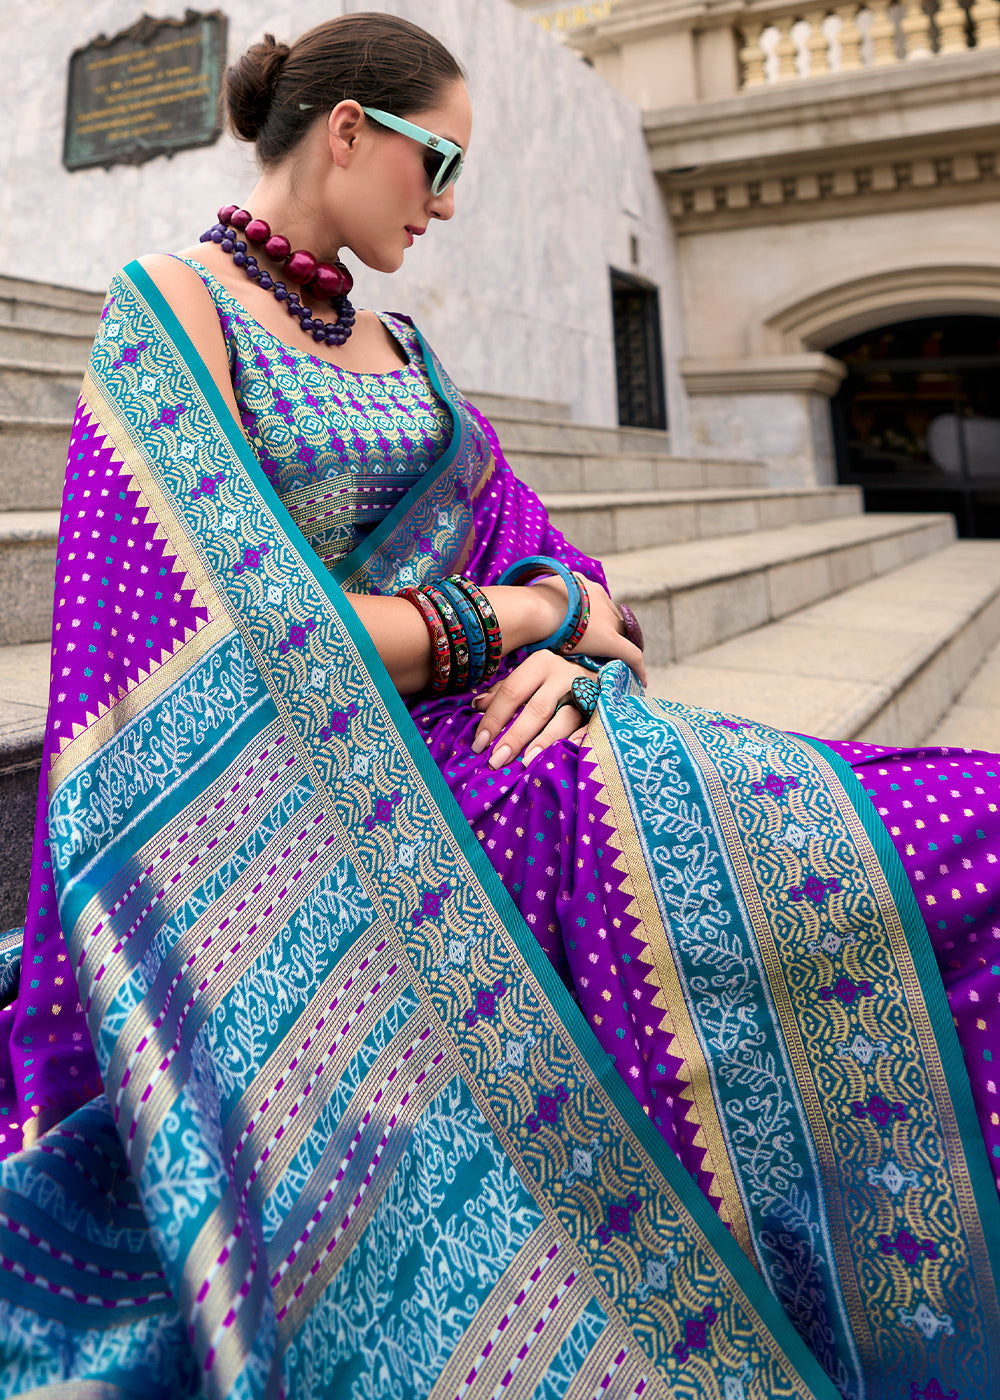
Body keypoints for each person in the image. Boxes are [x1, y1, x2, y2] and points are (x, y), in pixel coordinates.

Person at [0, 13, 997, 1399]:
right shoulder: (173, 308)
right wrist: (524, 619)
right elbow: (256, 638)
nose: (452, 203)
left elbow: (575, 576)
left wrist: (576, 642)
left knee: (938, 829)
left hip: (541, 738)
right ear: (347, 129)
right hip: (331, 811)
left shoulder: (403, 348)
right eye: (436, 163)